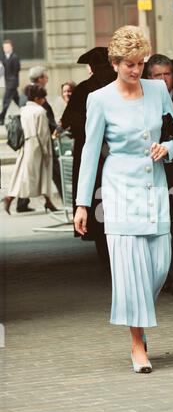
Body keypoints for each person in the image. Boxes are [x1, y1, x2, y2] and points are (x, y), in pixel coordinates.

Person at [74, 26, 173, 373]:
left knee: (161, 266)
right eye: (129, 65)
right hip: (119, 193)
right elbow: (91, 153)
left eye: (140, 63)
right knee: (131, 273)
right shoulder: (100, 99)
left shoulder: (157, 90)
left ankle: (138, 314)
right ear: (115, 63)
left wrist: (167, 148)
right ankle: (138, 343)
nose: (137, 71)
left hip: (155, 190)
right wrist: (82, 204)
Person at [61, 47, 116, 267]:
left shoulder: (89, 88)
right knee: (97, 206)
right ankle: (106, 254)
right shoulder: (87, 89)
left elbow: (68, 120)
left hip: (102, 156)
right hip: (95, 156)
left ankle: (105, 254)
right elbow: (70, 120)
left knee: (98, 206)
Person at [147, 54, 173, 299]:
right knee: (162, 227)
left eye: (167, 74)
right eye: (157, 75)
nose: (163, 80)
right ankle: (169, 278)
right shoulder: (144, 99)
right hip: (156, 174)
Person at [3, 84, 55, 214]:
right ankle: (10, 197)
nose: (44, 100)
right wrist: (46, 151)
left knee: (26, 175)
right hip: (37, 146)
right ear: (38, 98)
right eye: (42, 98)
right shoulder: (40, 112)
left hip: (26, 144)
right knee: (34, 176)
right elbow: (42, 133)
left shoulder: (24, 110)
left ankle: (48, 201)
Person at [17, 66, 62, 213]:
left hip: (33, 140)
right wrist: (57, 128)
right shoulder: (33, 94)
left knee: (32, 171)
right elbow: (40, 118)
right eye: (45, 76)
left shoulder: (31, 92)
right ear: (40, 78)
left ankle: (22, 203)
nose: (47, 79)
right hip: (38, 139)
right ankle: (66, 198)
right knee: (51, 169)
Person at [0, 40, 20, 125]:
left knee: (6, 100)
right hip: (7, 82)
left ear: (11, 47)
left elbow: (16, 70)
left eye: (7, 47)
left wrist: (12, 81)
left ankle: (1, 118)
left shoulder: (14, 57)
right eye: (4, 47)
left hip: (12, 82)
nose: (6, 49)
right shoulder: (3, 57)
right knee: (17, 100)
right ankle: (26, 109)